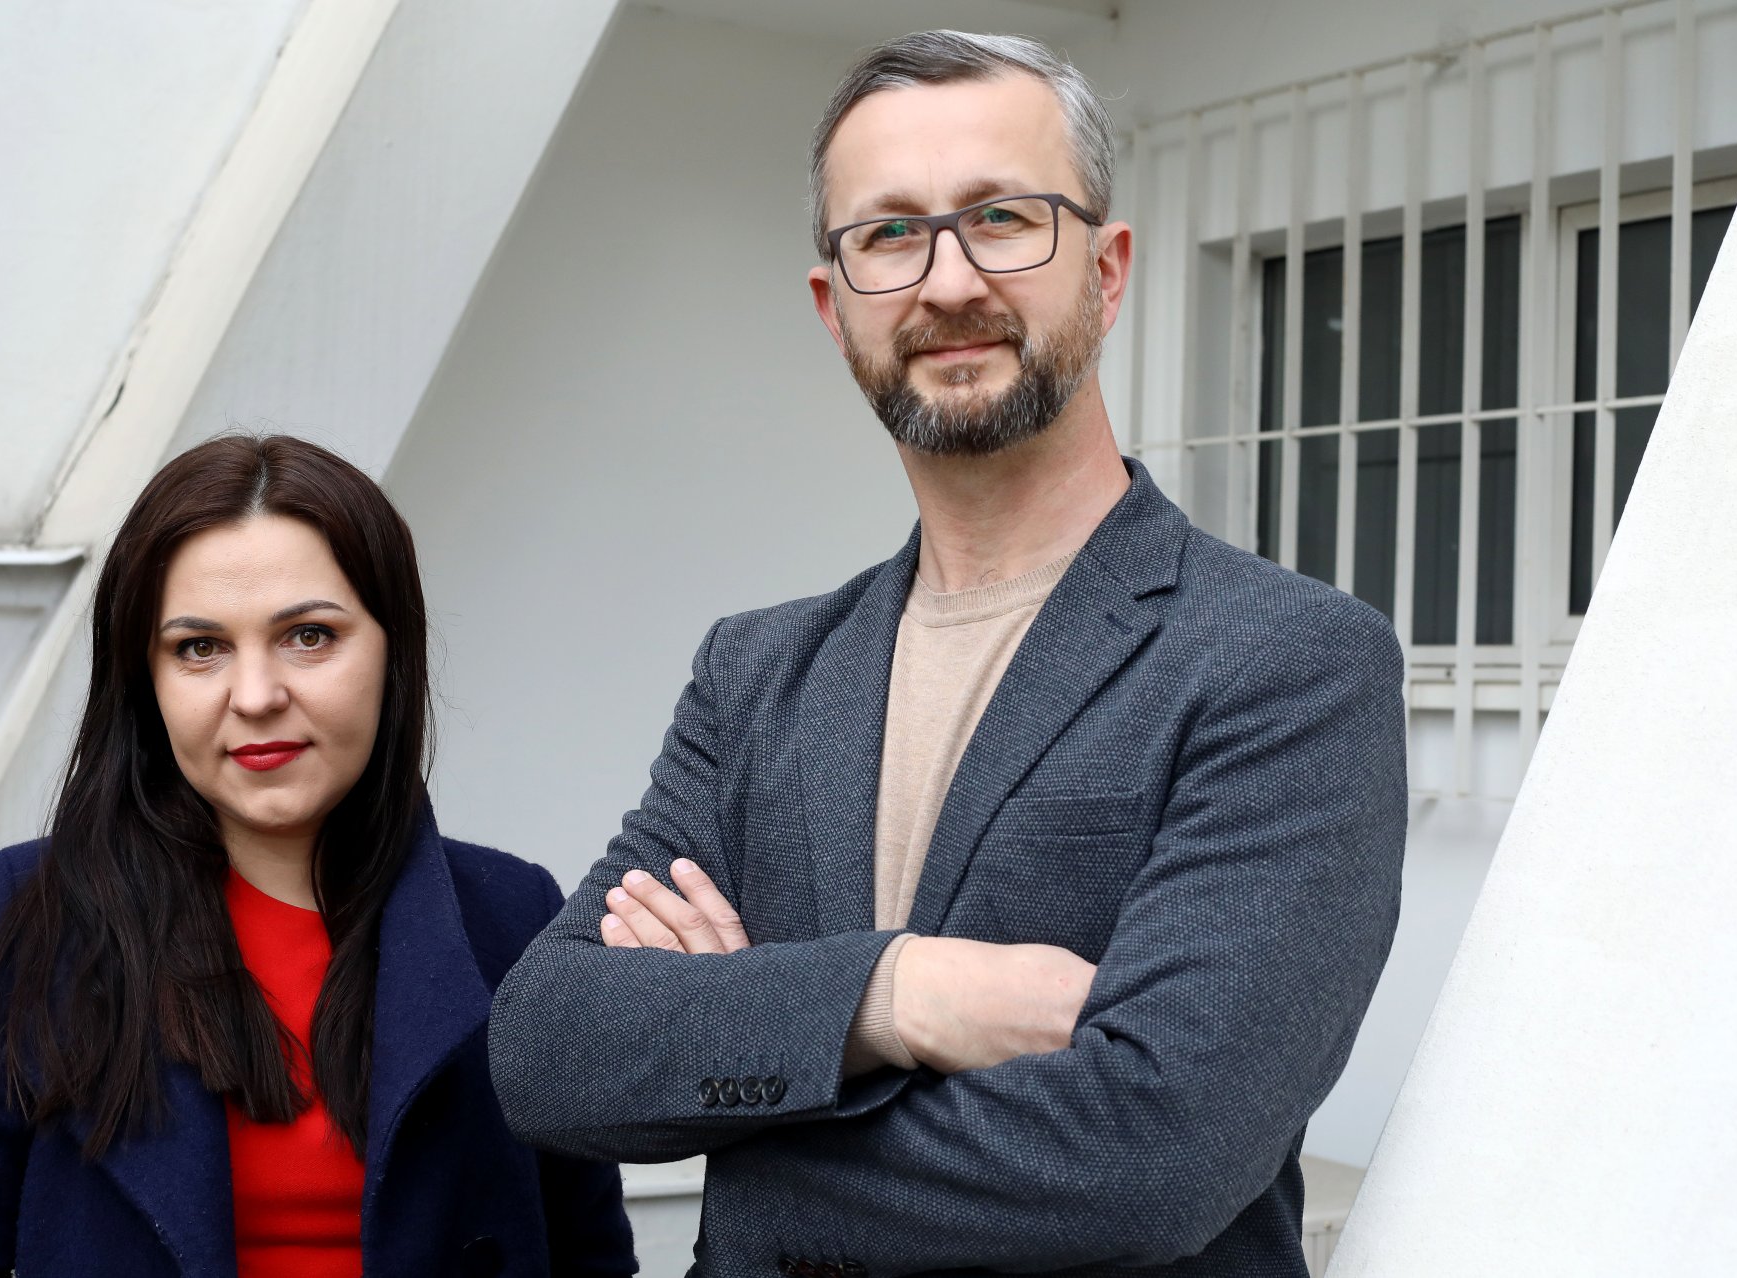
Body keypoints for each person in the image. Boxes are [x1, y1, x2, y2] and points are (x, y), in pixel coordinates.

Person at [488, 30, 1407, 1278]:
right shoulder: (757, 673)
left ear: (1107, 271)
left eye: (1003, 219)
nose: (950, 280)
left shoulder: (1285, 662)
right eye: (890, 234)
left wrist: (747, 1083)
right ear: (835, 308)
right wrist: (899, 994)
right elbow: (546, 1048)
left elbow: (1150, 1158)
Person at [0, 435, 634, 1278]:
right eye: (200, 647)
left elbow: (589, 1263)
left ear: (393, 650)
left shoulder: (512, 917)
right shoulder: (33, 917)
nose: (256, 696)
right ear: (145, 682)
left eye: (309, 636)